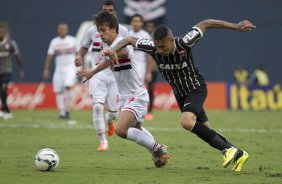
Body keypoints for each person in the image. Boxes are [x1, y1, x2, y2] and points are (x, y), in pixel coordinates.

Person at [103, 19, 256, 171]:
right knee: (206, 130)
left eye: (163, 46)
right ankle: (238, 153)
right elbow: (129, 39)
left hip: (196, 88)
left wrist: (236, 26)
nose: (160, 50)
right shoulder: (153, 48)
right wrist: (114, 49)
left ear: (171, 40)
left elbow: (206, 23)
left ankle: (228, 151)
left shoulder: (185, 43)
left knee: (186, 122)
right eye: (157, 46)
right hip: (180, 94)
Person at [77, 11, 169, 167]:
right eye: (99, 30)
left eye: (104, 30)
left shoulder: (122, 42)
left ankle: (157, 148)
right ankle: (158, 152)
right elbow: (108, 62)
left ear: (114, 29)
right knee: (137, 128)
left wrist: (111, 52)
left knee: (121, 130)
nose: (100, 34)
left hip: (136, 95)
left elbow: (125, 52)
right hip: (127, 96)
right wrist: (92, 72)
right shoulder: (108, 46)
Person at [74, 0, 128, 151]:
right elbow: (84, 47)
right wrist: (79, 56)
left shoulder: (122, 31)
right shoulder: (92, 31)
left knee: (113, 113)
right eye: (105, 10)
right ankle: (103, 141)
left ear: (115, 12)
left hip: (116, 76)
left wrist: (112, 53)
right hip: (97, 74)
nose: (107, 13)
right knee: (97, 107)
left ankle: (110, 121)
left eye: (110, 10)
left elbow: (127, 51)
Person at [43, 23, 77, 120]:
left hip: (70, 67)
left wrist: (80, 66)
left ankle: (67, 109)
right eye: (61, 29)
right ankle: (62, 112)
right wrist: (46, 69)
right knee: (58, 91)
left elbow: (79, 53)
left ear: (67, 30)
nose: (62, 31)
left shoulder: (72, 40)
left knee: (68, 86)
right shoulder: (54, 42)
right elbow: (49, 56)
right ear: (58, 30)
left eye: (64, 29)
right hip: (59, 68)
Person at [0, 24, 25, 119]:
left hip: (7, 70)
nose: (0, 34)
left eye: (2, 32)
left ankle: (5, 109)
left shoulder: (10, 43)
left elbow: (17, 56)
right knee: (1, 91)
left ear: (5, 33)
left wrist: (21, 69)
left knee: (3, 88)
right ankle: (4, 108)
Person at [129, 14, 152, 84]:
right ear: (131, 22)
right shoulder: (127, 34)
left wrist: (148, 72)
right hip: (128, 64)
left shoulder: (146, 36)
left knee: (139, 86)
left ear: (142, 23)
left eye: (138, 21)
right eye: (134, 21)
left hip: (141, 65)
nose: (136, 23)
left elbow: (149, 55)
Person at [144, 21, 158, 120]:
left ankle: (149, 111)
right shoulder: (142, 38)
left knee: (151, 90)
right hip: (140, 68)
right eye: (148, 26)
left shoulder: (156, 40)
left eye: (151, 26)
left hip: (152, 69)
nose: (149, 28)